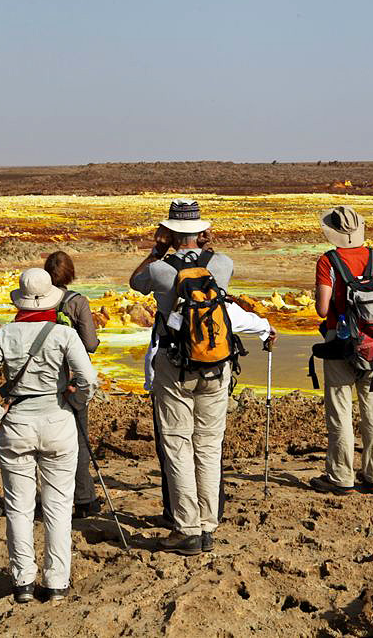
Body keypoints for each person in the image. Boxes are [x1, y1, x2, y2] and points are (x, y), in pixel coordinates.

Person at [0, 268, 98, 603]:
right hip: (57, 419)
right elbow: (88, 379)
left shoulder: (4, 334)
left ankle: (22, 581)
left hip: (18, 423)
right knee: (58, 506)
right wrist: (74, 401)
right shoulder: (63, 334)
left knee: (19, 506)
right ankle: (57, 582)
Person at [129, 199, 234, 555]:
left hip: (175, 366)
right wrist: (206, 245)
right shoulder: (221, 264)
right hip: (217, 366)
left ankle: (186, 526)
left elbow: (135, 282)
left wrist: (158, 247)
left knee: (177, 443)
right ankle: (208, 524)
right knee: (208, 445)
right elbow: (218, 268)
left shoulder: (161, 270)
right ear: (201, 231)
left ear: (172, 231)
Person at [310, 206, 373, 496]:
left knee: (340, 412)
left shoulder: (328, 261)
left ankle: (341, 477)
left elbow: (322, 309)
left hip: (341, 342)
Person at [43, 250, 102, 518]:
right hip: (73, 382)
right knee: (77, 440)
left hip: (44, 380)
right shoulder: (78, 302)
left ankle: (51, 496)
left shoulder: (37, 301)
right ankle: (84, 498)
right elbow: (90, 343)